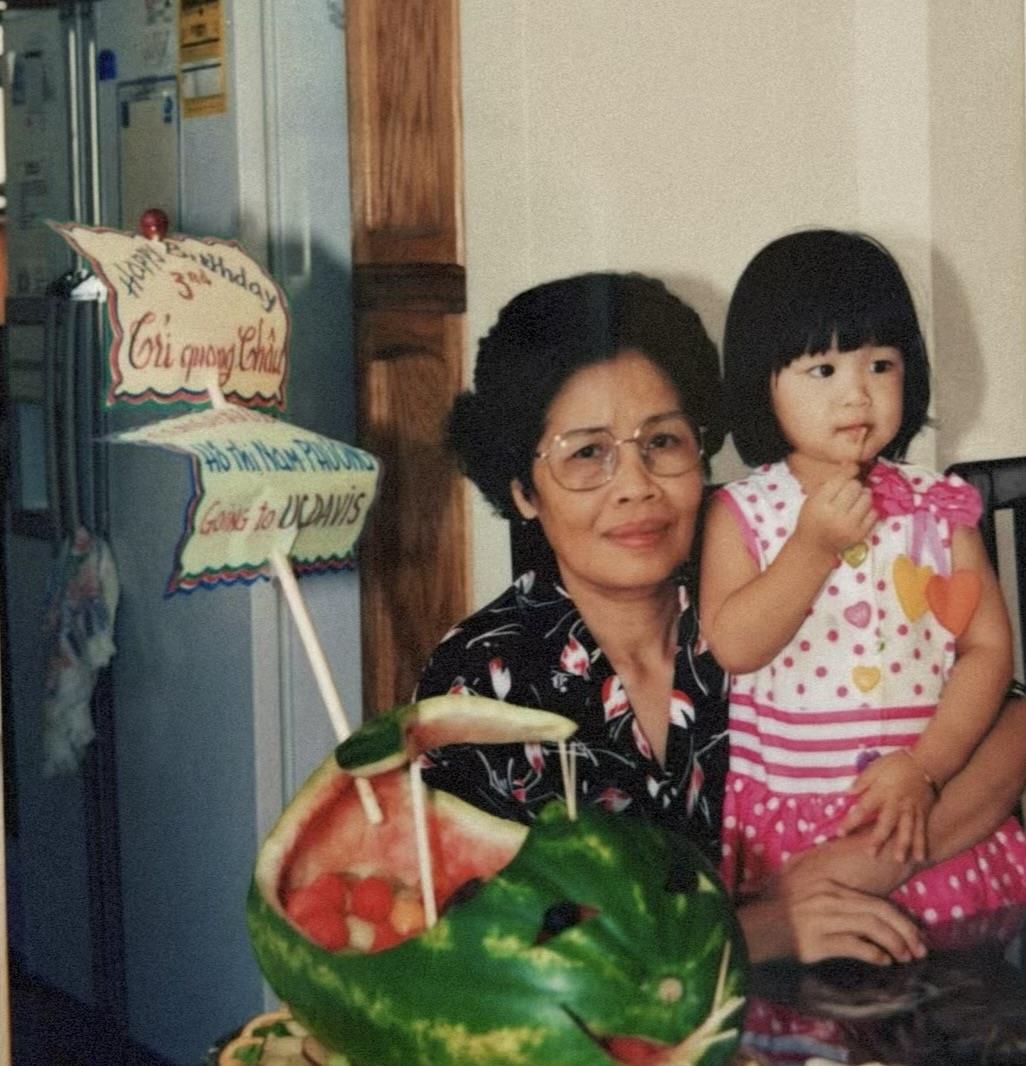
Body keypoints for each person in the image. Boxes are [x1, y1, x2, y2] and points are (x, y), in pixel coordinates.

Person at [415, 269, 1026, 966]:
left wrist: (867, 864)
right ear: (523, 489)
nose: (636, 486)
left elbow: (1010, 725)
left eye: (662, 442)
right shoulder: (482, 677)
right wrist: (755, 931)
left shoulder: (762, 584)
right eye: (587, 454)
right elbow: (477, 948)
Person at [703, 229, 1026, 938]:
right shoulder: (745, 512)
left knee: (959, 979)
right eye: (822, 369)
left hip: (926, 805)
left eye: (880, 364)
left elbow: (989, 651)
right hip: (797, 826)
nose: (857, 392)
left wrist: (926, 767)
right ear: (761, 384)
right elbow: (733, 644)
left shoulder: (937, 507)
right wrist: (810, 549)